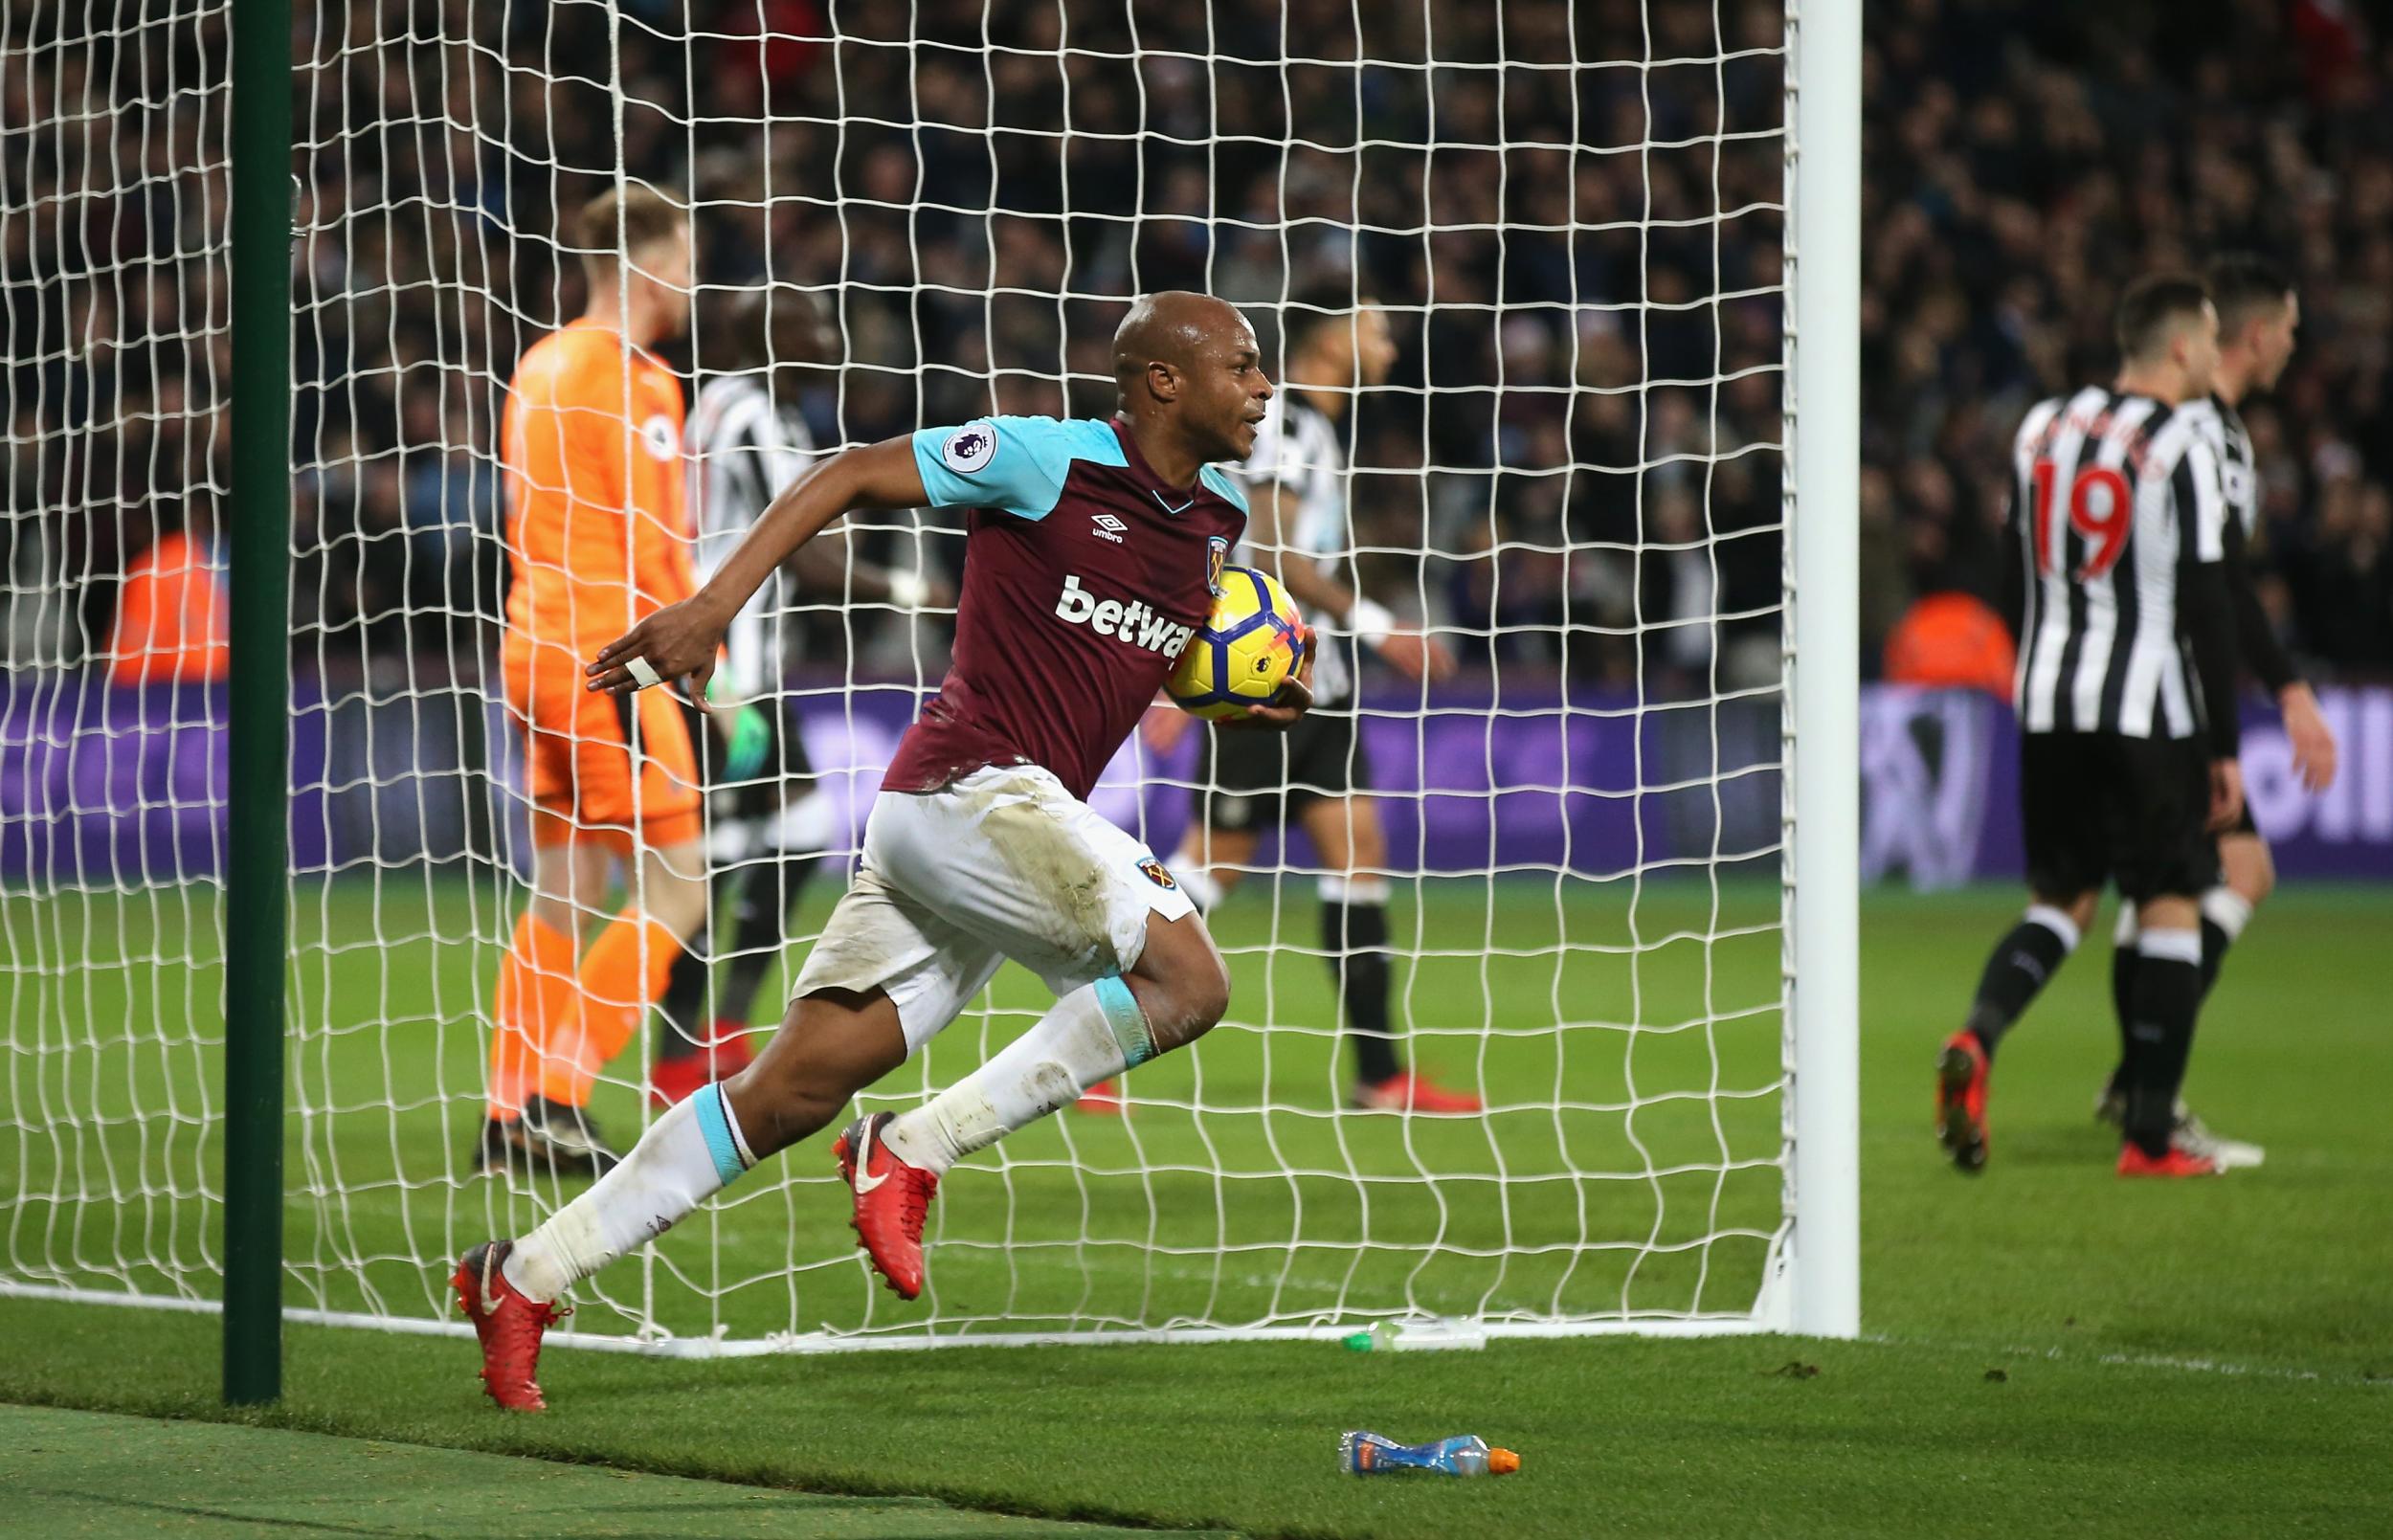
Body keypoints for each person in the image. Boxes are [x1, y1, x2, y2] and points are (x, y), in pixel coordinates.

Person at [452, 291, 1311, 1412]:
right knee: (1187, 979)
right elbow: (851, 470)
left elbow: (1121, 643)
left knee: (786, 1091)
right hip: (970, 787)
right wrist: (712, 606)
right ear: (1162, 381)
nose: (1261, 388)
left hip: (976, 828)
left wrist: (1224, 699)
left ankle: (521, 1276)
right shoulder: (1045, 461)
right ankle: (912, 1150)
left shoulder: (1218, 521)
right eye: (1242, 367)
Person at [1098, 289, 1473, 1116]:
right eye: (1377, 327)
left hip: (1321, 683)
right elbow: (1272, 552)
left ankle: (1381, 1076)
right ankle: (1088, 1025)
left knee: (1357, 854)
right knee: (1212, 870)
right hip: (1268, 680)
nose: (1389, 345)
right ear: (1331, 334)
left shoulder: (1320, 426)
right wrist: (1382, 627)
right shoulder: (1286, 423)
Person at [1935, 274, 2247, 1178]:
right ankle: (2150, 1137)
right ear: (2183, 348)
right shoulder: (2182, 441)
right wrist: (2223, 745)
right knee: (2171, 903)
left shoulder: (2039, 428)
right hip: (2145, 706)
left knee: (2061, 903)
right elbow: (2207, 598)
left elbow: (2011, 567)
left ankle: (1979, 1036)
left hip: (2046, 698)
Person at [648, 285, 951, 1107]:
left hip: (745, 671)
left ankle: (713, 1035)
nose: (830, 336)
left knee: (781, 835)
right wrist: (908, 588)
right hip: (723, 675)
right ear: (772, 336)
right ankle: (682, 1051)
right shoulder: (746, 410)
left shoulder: (750, 410)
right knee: (719, 855)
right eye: (814, 324)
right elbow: (802, 550)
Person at [478, 186, 710, 1178]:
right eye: (688, 259)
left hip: (531, 643)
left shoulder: (540, 362)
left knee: (564, 886)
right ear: (651, 260)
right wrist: (704, 657)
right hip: (611, 657)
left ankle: (504, 1108)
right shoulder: (639, 380)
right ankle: (557, 1097)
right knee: (681, 884)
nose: (694, 281)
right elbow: (657, 544)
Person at [2096, 255, 2339, 1157]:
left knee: (2159, 896)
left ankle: (2138, 1084)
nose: (2294, 343)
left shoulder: (2171, 425)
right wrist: (2289, 692)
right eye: (2289, 326)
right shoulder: (2206, 436)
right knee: (2232, 876)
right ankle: (2146, 1095)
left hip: (2127, 687)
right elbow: (2224, 587)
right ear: (2254, 335)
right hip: (2172, 698)